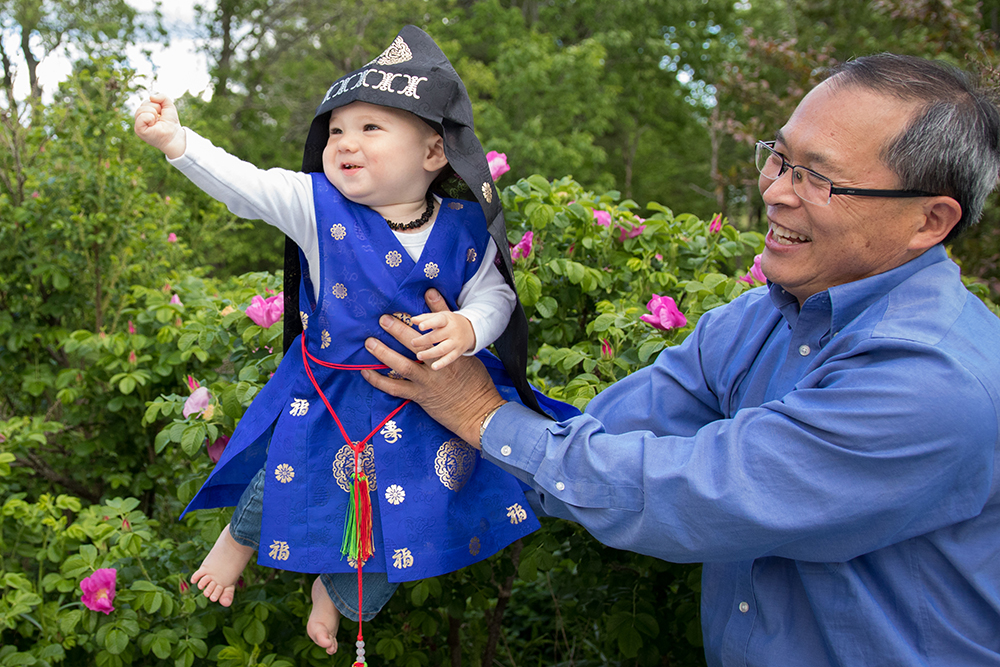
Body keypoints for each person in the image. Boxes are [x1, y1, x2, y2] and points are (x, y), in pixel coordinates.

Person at [362, 53, 1000, 666]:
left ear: (928, 220)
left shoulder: (934, 379)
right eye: (779, 157)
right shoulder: (763, 319)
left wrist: (481, 413)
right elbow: (608, 432)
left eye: (819, 178)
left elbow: (701, 492)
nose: (775, 191)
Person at [134, 25, 573, 659]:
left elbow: (496, 295)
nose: (345, 143)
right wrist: (177, 141)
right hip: (333, 391)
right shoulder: (316, 207)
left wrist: (469, 326)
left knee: (410, 525)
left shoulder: (465, 225)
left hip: (427, 404)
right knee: (291, 470)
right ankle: (237, 541)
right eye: (336, 129)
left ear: (433, 153)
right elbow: (246, 185)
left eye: (371, 128)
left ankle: (337, 597)